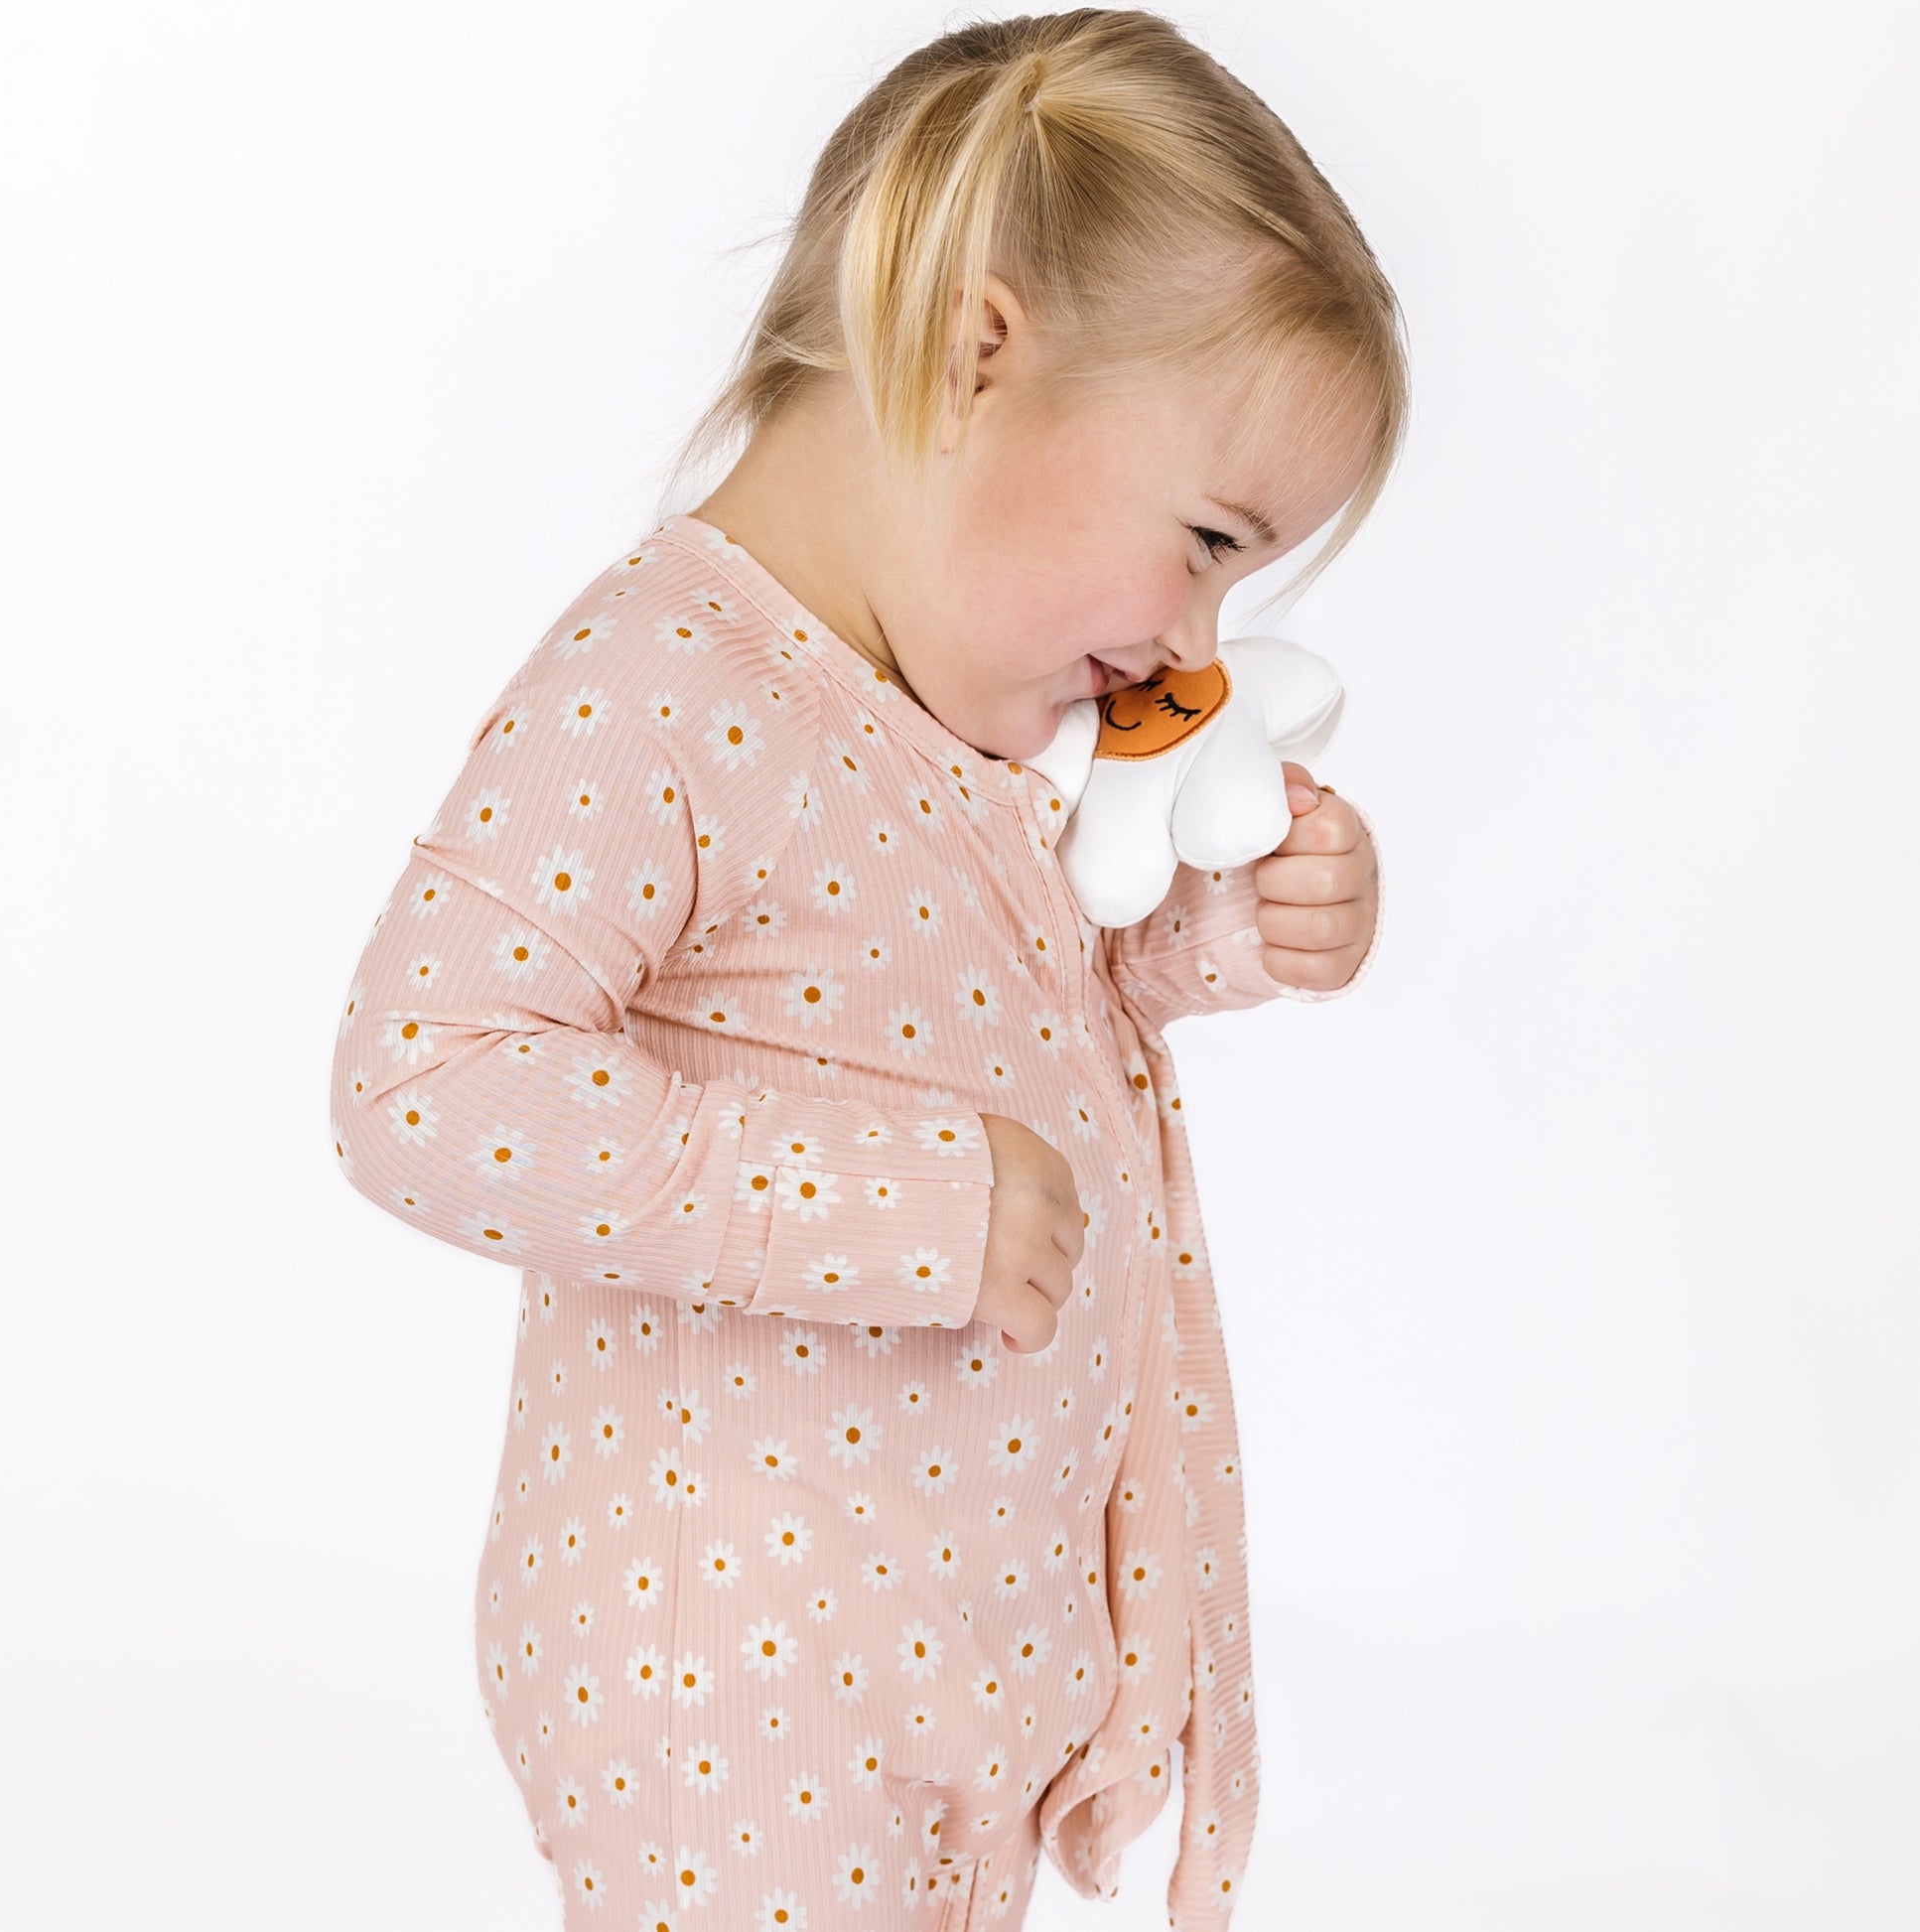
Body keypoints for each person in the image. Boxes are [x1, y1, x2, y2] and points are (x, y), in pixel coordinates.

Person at [328, 10, 1402, 1928]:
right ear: (979, 349)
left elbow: (1013, 1005)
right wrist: (896, 1207)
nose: (1191, 645)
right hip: (729, 1680)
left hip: (942, 1646)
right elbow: (428, 1080)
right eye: (1205, 542)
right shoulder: (662, 687)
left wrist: (1225, 928)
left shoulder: (937, 730)